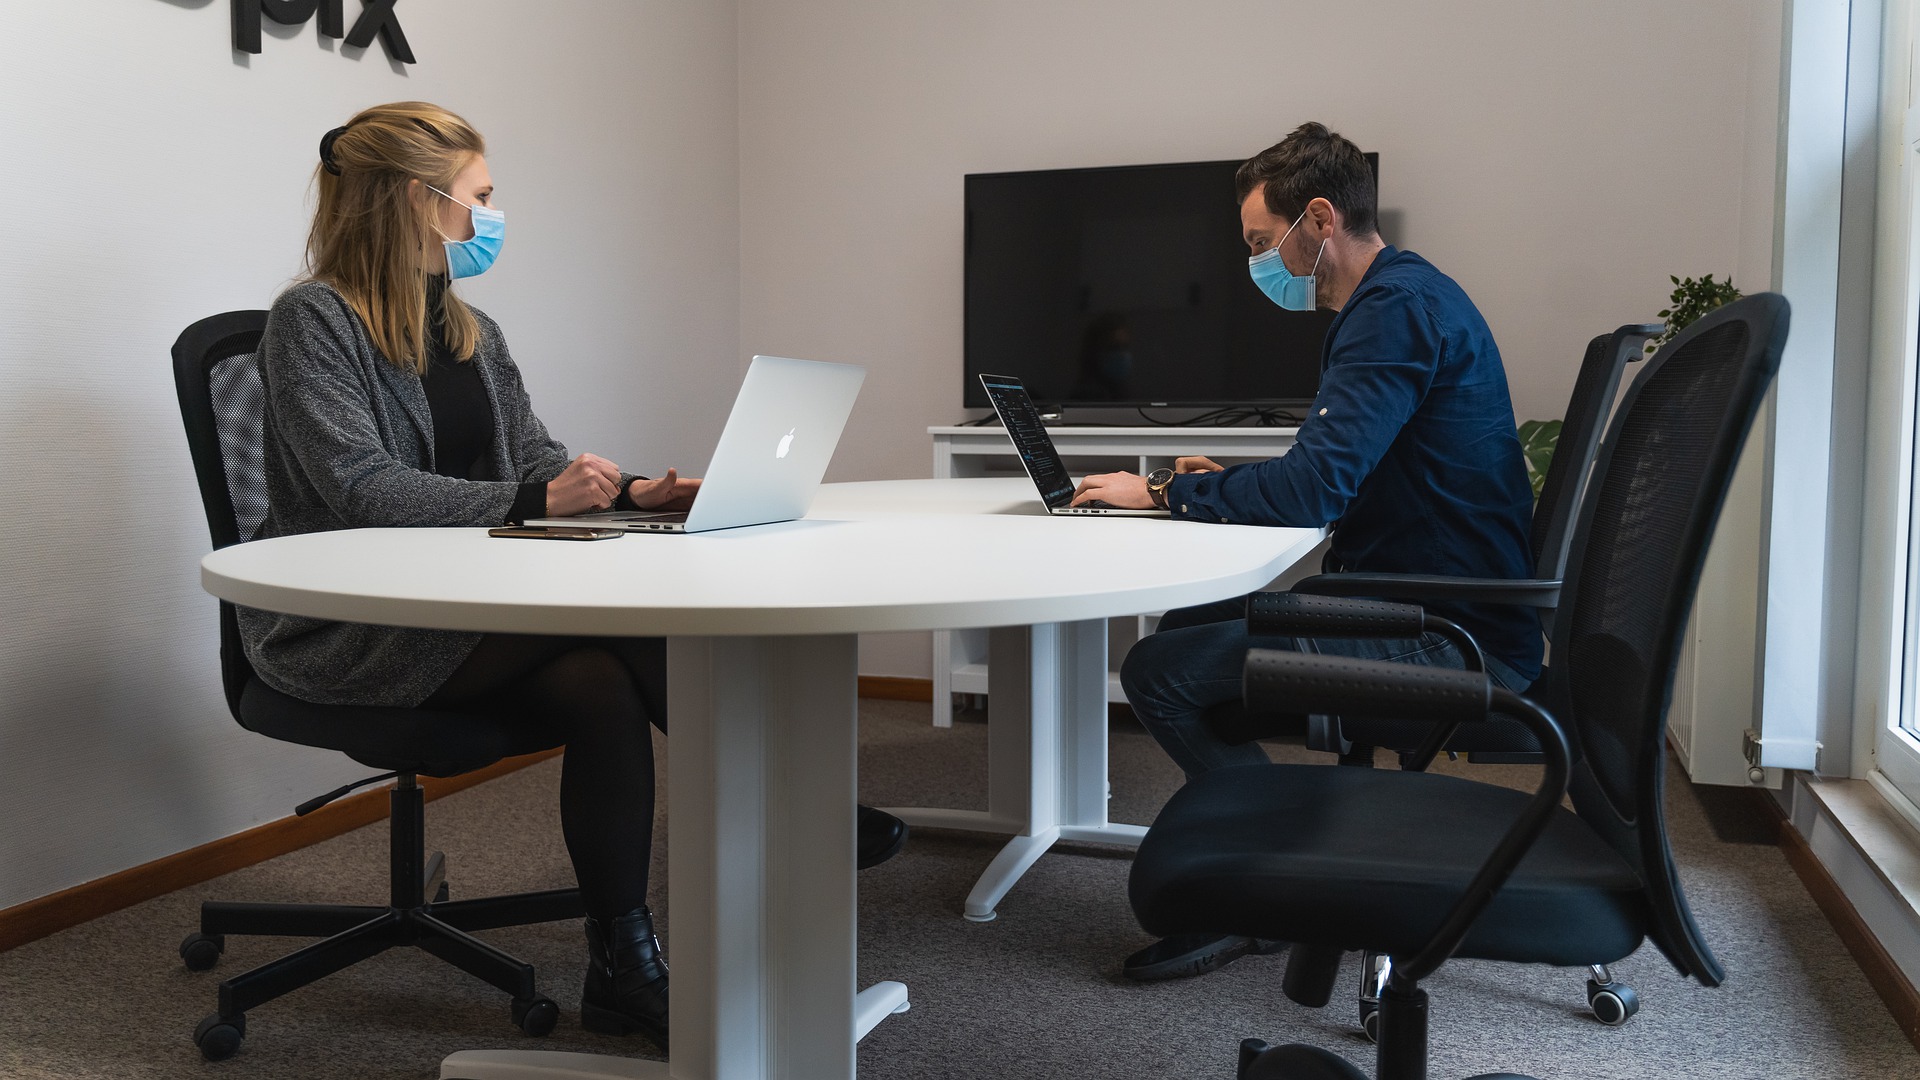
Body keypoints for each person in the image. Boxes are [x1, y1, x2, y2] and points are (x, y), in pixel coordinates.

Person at [237, 101, 903, 1050]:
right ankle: (803, 813)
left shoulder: (470, 327)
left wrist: (633, 488)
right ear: (417, 203)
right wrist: (529, 503)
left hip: (472, 600)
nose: (494, 215)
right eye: (482, 197)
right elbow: (357, 487)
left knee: (597, 685)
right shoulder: (312, 321)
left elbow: (537, 457)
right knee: (637, 624)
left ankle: (622, 968)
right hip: (352, 628)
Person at [1072, 123, 1542, 982]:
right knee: (1185, 629)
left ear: (1319, 219)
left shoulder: (1392, 312)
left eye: (1262, 243)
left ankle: (1258, 891)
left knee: (1158, 672)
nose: (1258, 264)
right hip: (1445, 604)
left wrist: (1166, 491)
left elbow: (1311, 494)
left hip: (1445, 638)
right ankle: (1273, 861)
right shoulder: (1406, 297)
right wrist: (1232, 478)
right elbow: (1335, 470)